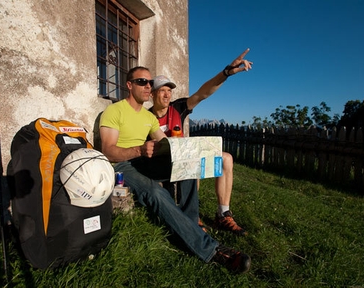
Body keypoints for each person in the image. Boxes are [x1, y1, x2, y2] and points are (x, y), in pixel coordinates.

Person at [99, 66, 251, 274]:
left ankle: (190, 226)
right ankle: (213, 251)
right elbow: (108, 151)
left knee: (187, 164)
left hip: (145, 160)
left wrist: (185, 152)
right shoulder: (114, 111)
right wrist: (138, 149)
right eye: (142, 82)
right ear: (129, 85)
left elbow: (166, 145)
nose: (147, 86)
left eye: (149, 82)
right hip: (123, 165)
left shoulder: (149, 118)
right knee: (155, 193)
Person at [149, 48, 253, 236]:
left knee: (226, 158)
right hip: (163, 162)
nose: (167, 95)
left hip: (184, 155)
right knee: (191, 161)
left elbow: (203, 93)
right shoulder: (145, 117)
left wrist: (226, 72)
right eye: (162, 90)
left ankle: (223, 214)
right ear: (152, 94)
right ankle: (192, 214)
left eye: (169, 90)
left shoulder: (178, 108)